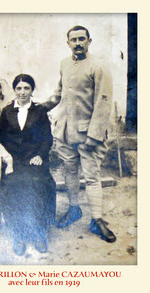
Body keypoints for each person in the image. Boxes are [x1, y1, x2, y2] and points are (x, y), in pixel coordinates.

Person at [42, 25, 116, 243]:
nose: (77, 43)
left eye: (81, 39)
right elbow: (59, 93)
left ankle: (97, 220)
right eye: (73, 40)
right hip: (65, 132)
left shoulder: (98, 66)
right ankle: (74, 209)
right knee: (69, 172)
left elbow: (103, 104)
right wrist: (40, 108)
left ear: (89, 41)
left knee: (92, 177)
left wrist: (94, 136)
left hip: (87, 135)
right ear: (68, 43)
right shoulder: (64, 64)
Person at [0, 74, 56, 256]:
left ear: (32, 90)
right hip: (13, 161)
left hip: (34, 160)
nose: (22, 92)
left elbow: (47, 138)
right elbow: (1, 139)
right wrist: (7, 159)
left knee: (39, 186)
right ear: (14, 90)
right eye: (19, 88)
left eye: (26, 88)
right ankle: (19, 234)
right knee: (13, 188)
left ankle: (40, 231)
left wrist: (40, 155)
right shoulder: (7, 112)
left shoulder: (39, 112)